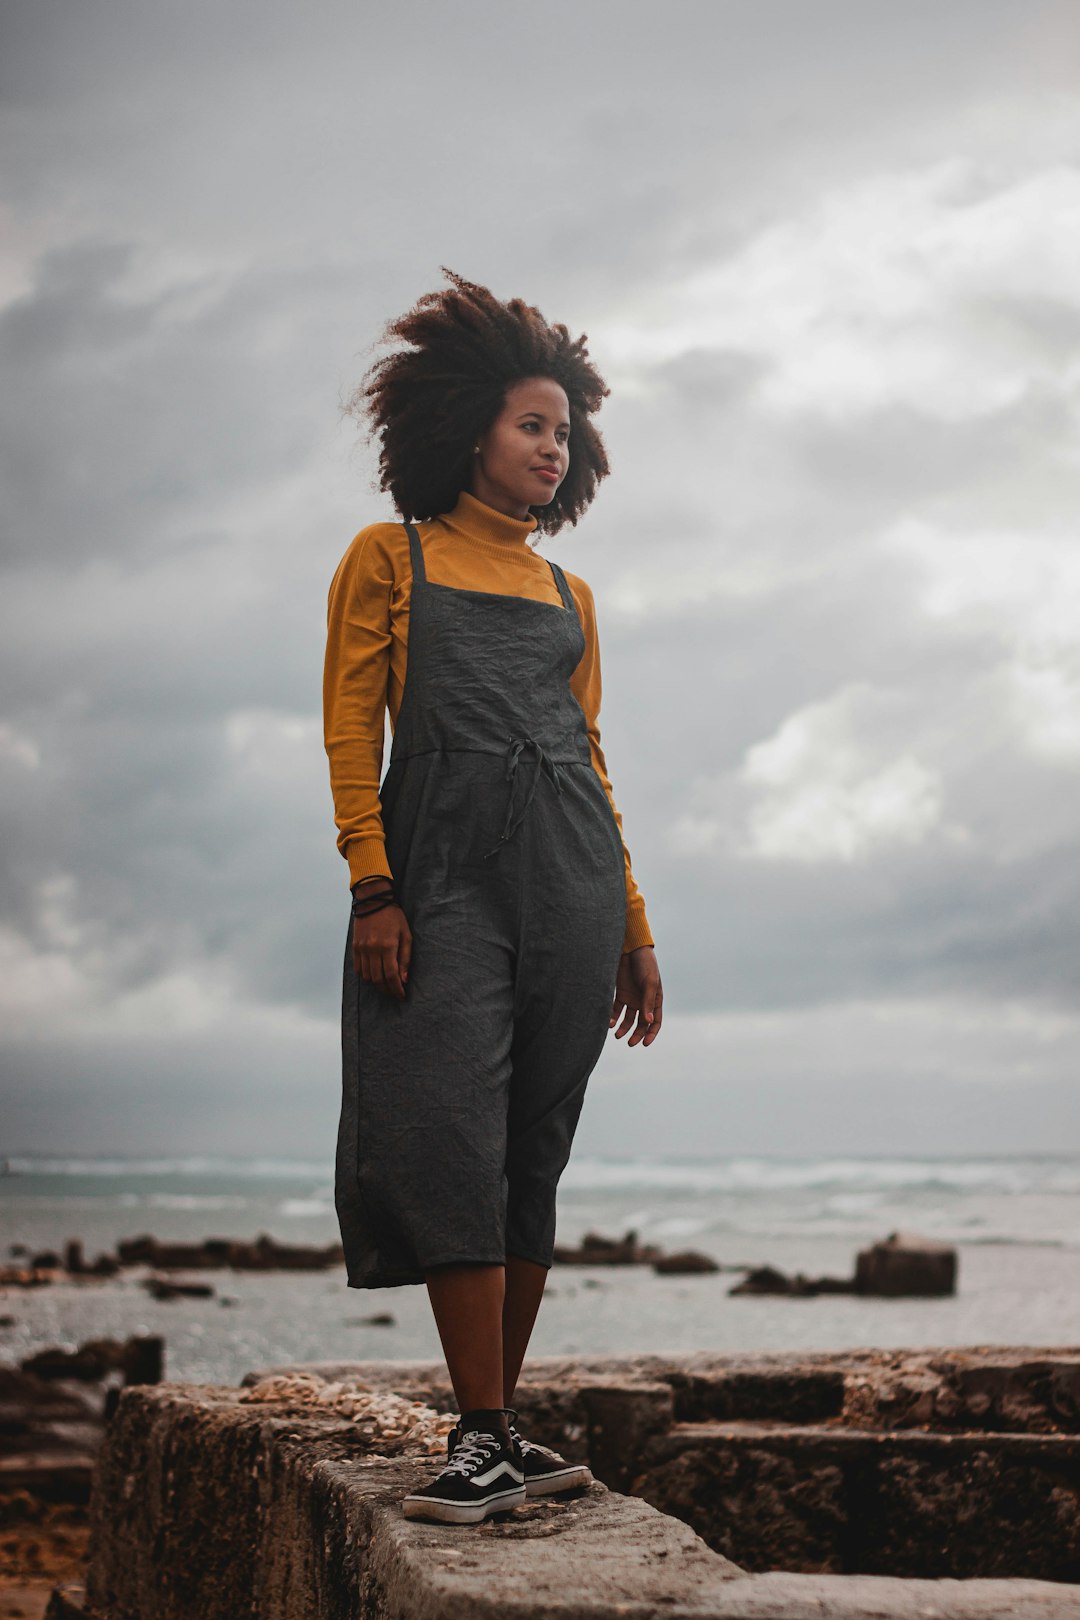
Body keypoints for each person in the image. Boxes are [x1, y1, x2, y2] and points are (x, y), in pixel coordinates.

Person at [323, 269, 663, 1525]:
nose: (550, 447)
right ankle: (475, 1436)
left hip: (572, 885)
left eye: (564, 432)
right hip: (442, 875)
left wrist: (632, 925)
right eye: (532, 424)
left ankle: (499, 1431)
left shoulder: (572, 598)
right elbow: (353, 734)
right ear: (469, 430)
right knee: (448, 1135)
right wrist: (375, 885)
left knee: (530, 1156)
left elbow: (593, 764)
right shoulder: (389, 557)